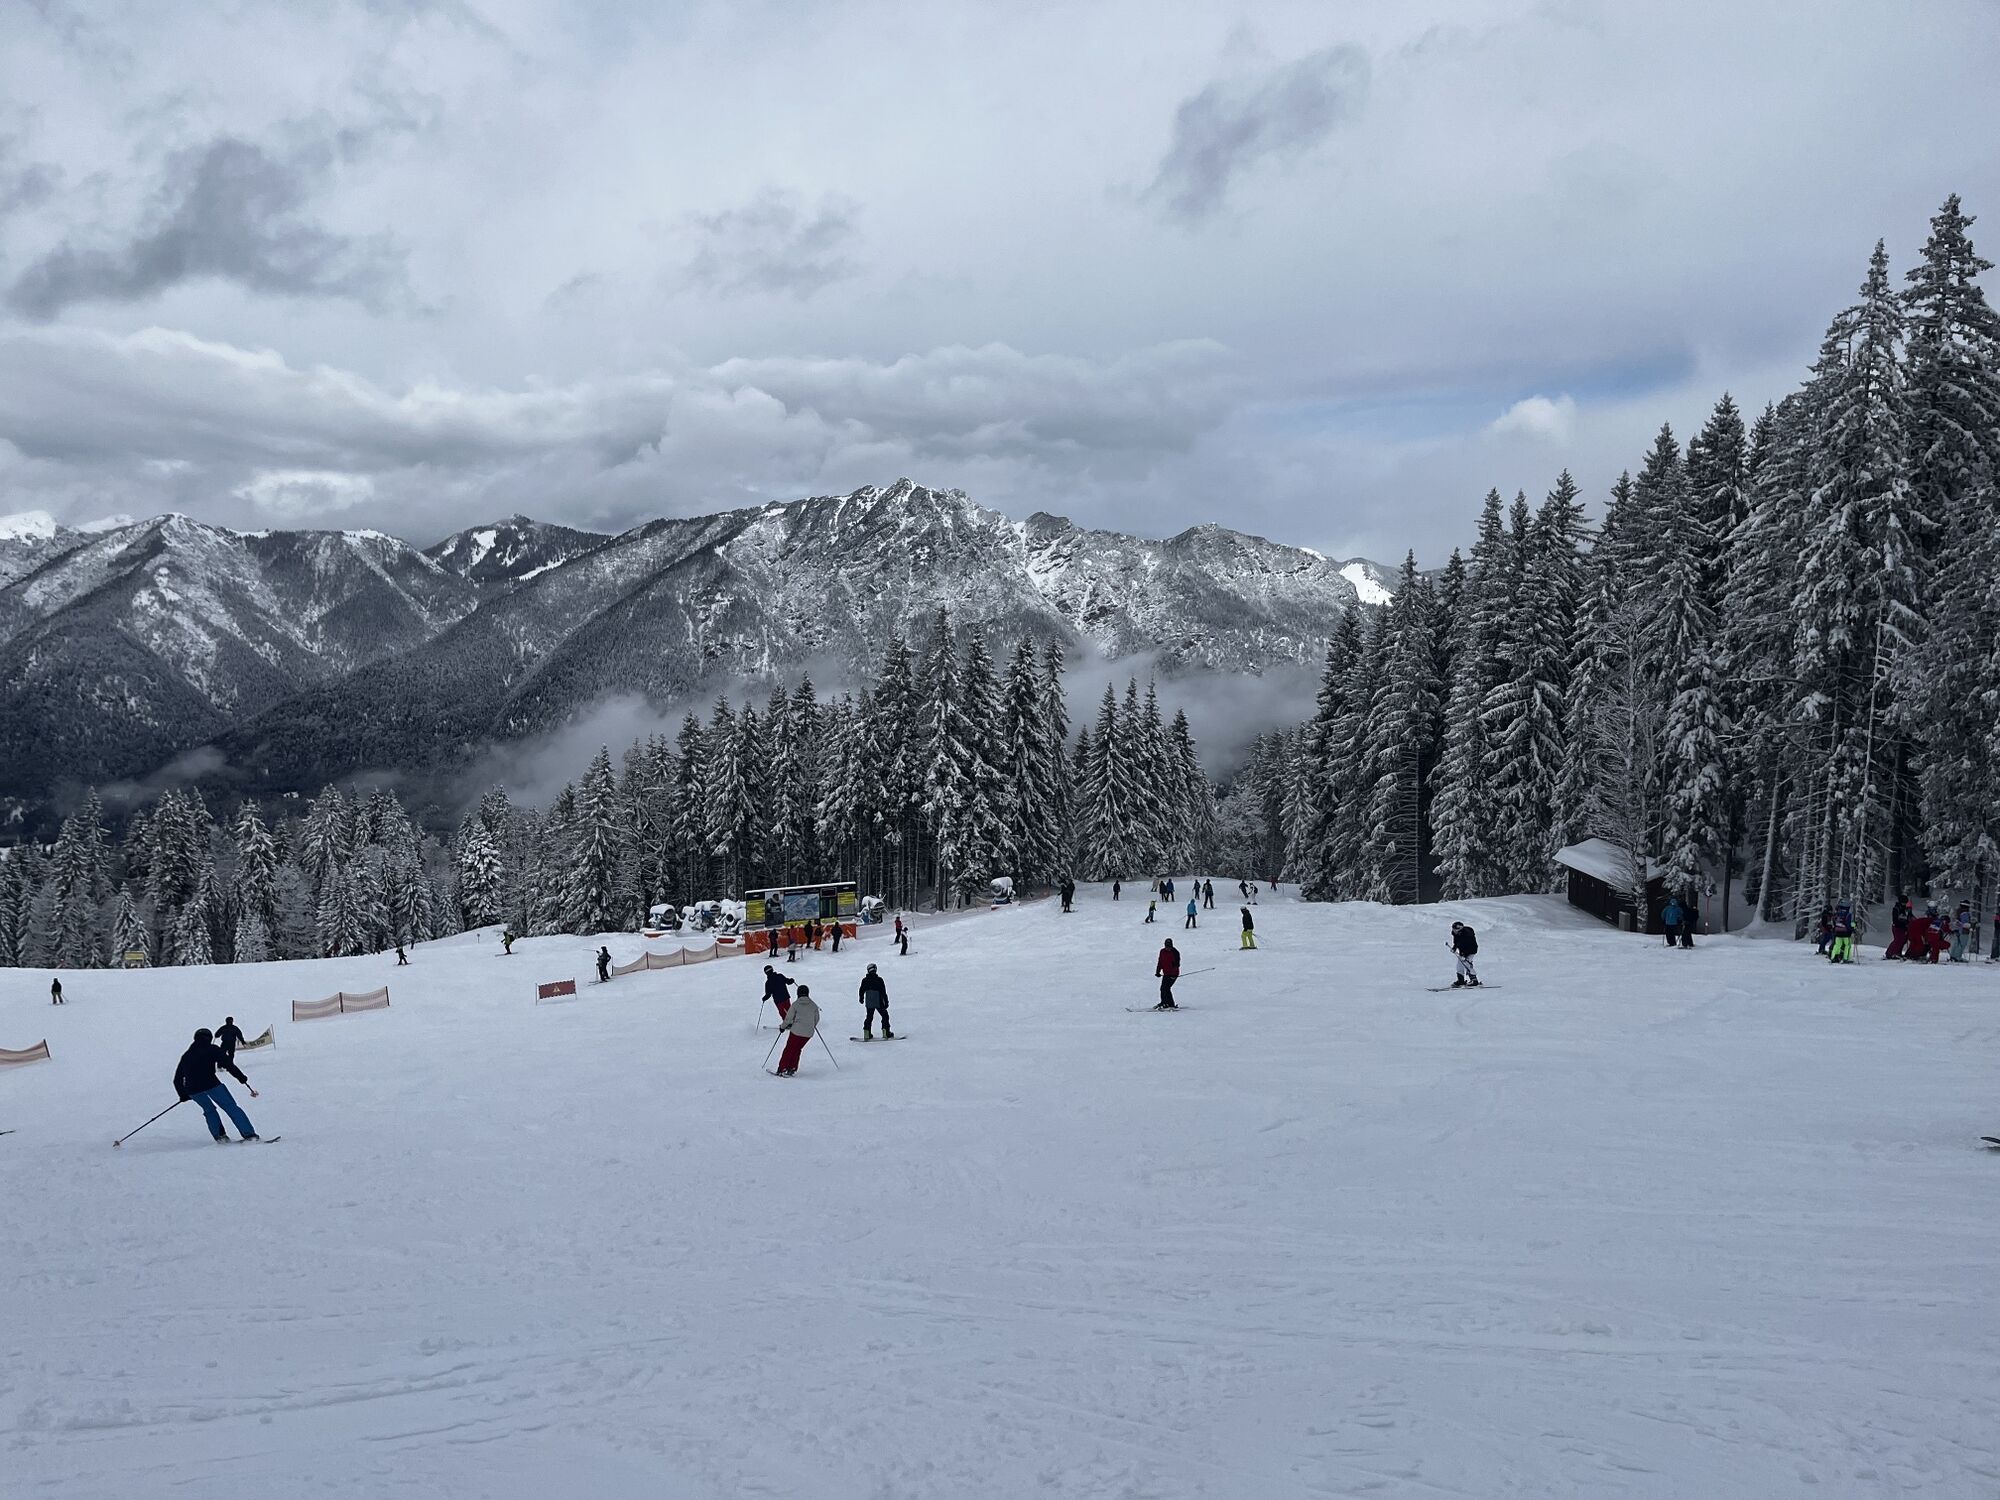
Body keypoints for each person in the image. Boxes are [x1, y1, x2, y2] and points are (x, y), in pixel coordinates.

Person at [174, 1027, 260, 1142]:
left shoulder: (187, 1055)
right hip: (211, 1084)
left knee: (209, 1110)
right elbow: (228, 1065)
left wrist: (183, 1095)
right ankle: (249, 1135)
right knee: (230, 1107)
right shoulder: (212, 1049)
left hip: (193, 1090)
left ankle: (220, 1137)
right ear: (209, 1038)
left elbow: (177, 1079)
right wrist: (241, 1077)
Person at [775, 984, 821, 1076]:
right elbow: (816, 1019)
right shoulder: (814, 1005)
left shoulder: (795, 1005)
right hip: (808, 1034)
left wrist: (782, 1027)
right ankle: (792, 1068)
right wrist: (810, 1026)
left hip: (796, 1032)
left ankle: (782, 1069)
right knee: (797, 1049)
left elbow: (788, 1019)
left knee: (789, 1049)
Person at [858, 963, 893, 1039]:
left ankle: (867, 1032)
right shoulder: (879, 980)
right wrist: (886, 1002)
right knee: (885, 1015)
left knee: (869, 1017)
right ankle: (886, 1032)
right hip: (878, 1001)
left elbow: (861, 990)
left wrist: (861, 998)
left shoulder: (865, 980)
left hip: (869, 1001)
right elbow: (883, 992)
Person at [1449, 921, 1480, 988]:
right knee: (1459, 965)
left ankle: (1474, 980)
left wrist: (1464, 954)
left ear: (1460, 929)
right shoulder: (1456, 934)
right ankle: (1461, 981)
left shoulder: (1467, 934)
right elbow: (1457, 942)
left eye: (1455, 929)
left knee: (1467, 964)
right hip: (1463, 952)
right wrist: (1454, 948)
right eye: (1453, 929)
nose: (1454, 930)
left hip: (1471, 951)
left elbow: (1468, 945)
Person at [1154, 938, 1182, 1009]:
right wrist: (1158, 971)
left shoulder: (1175, 953)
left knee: (1166, 988)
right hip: (1166, 973)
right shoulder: (1162, 951)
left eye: (1169, 947)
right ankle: (1165, 1002)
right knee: (1163, 988)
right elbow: (1160, 962)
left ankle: (1168, 1003)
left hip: (1173, 974)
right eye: (1166, 946)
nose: (1168, 948)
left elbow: (1177, 965)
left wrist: (1173, 974)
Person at [1886, 893, 1913, 959]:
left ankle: (1898, 952)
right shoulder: (1896, 908)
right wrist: (1904, 924)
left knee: (1903, 940)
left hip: (1903, 927)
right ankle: (1890, 953)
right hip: (1897, 927)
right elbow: (1895, 920)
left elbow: (1909, 917)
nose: (1904, 904)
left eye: (1905, 902)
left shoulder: (1905, 909)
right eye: (1903, 902)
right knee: (1898, 940)